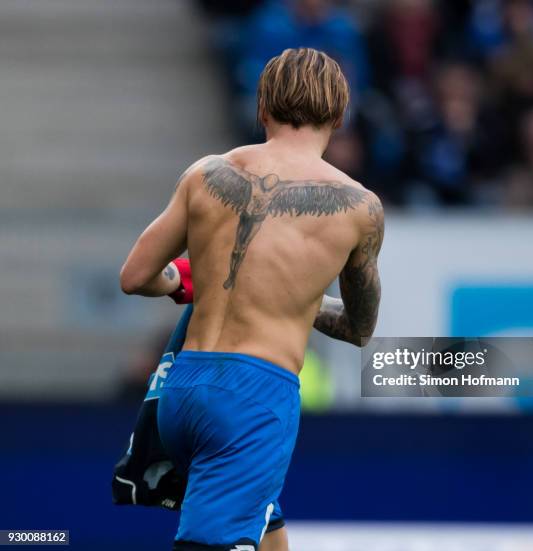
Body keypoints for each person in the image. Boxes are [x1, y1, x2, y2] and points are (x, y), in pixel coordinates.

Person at [119, 47, 384, 551]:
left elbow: (135, 276)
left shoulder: (206, 174)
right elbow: (359, 328)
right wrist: (299, 301)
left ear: (262, 108)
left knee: (267, 530)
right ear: (340, 114)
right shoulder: (359, 207)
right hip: (253, 399)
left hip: (181, 389)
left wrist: (186, 281)